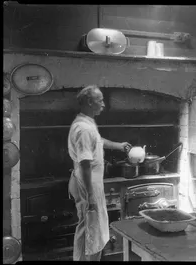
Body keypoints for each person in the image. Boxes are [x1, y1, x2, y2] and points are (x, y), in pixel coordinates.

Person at [67, 85, 131, 261]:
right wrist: (91, 196)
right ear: (89, 102)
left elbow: (97, 140)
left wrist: (118, 145)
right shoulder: (84, 129)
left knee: (88, 227)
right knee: (93, 231)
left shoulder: (86, 122)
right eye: (100, 100)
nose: (103, 104)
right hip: (87, 183)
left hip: (86, 181)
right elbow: (85, 163)